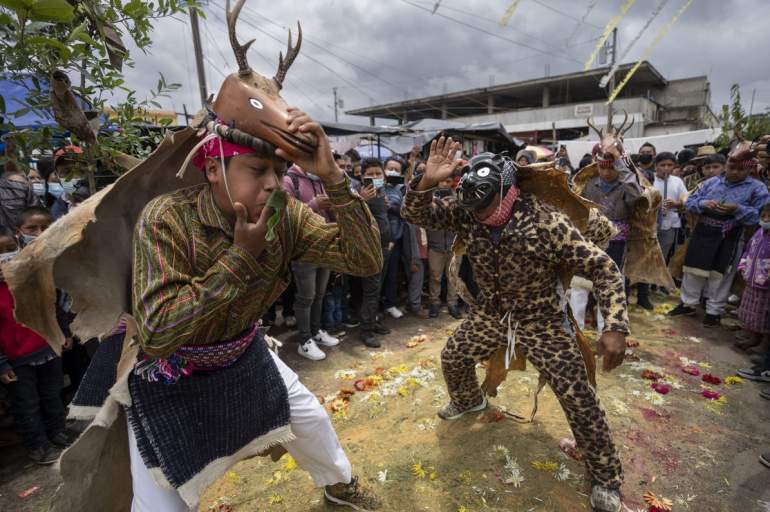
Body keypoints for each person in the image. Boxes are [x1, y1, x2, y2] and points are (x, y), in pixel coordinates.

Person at [403, 138, 629, 512]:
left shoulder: (547, 223)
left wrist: (616, 326)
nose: (476, 215)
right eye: (471, 208)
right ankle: (468, 401)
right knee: (454, 357)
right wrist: (426, 182)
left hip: (542, 322)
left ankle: (605, 476)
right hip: (492, 315)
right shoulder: (466, 210)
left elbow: (604, 268)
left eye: (485, 207)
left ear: (507, 192)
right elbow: (416, 214)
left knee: (578, 396)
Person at [669, 146, 770, 326]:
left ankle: (714, 311)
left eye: (741, 169)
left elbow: (761, 216)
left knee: (721, 275)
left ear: (749, 169)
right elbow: (690, 202)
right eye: (731, 167)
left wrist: (737, 209)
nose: (735, 172)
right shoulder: (711, 182)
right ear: (726, 166)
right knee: (693, 270)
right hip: (703, 231)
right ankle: (688, 303)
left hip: (730, 235)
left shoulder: (758, 188)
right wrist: (703, 203)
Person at [0, 223, 72, 465]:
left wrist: (62, 333)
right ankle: (37, 445)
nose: (6, 256)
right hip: (17, 360)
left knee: (52, 394)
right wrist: (2, 365)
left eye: (10, 248)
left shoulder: (31, 276)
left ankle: (57, 431)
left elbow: (50, 304)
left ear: (19, 245)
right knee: (27, 405)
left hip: (47, 347)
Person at [283, 163, 340, 361]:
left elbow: (329, 213)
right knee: (306, 296)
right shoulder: (289, 180)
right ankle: (304, 341)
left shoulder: (319, 180)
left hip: (324, 245)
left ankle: (316, 332)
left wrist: (333, 209)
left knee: (320, 294)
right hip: (304, 248)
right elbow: (286, 216)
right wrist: (314, 204)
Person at [580, 157, 643, 293]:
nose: (606, 172)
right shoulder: (589, 184)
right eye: (602, 168)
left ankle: (608, 308)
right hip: (592, 237)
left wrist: (622, 166)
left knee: (611, 275)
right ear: (597, 167)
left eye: (611, 168)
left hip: (616, 239)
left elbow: (637, 198)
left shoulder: (626, 186)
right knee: (586, 275)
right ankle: (587, 307)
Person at [356, 158, 393, 347]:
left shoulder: (382, 193)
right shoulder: (357, 194)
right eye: (370, 174)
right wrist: (361, 200)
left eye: (378, 173)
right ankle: (366, 331)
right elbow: (350, 217)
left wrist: (390, 240)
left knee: (377, 289)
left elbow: (384, 219)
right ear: (361, 176)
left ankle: (374, 321)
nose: (375, 177)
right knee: (370, 291)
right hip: (369, 250)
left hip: (385, 247)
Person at [735, 203, 770, 384]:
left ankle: (763, 343)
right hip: (751, 280)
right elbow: (748, 250)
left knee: (764, 315)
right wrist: (743, 265)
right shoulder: (758, 234)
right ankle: (753, 337)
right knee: (751, 312)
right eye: (763, 216)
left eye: (769, 218)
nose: (765, 220)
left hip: (765, 284)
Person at [426, 177, 461, 319]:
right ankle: (434, 303)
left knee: (453, 277)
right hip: (435, 246)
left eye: (448, 181)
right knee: (435, 276)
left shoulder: (458, 198)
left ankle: (453, 304)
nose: (444, 184)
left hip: (455, 247)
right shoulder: (429, 200)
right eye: (442, 181)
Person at [652, 152, 688, 263]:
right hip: (651, 223)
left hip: (671, 223)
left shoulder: (677, 181)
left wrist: (676, 204)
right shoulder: (649, 180)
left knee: (663, 252)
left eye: (670, 165)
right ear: (656, 166)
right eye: (662, 165)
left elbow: (686, 199)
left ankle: (658, 278)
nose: (666, 168)